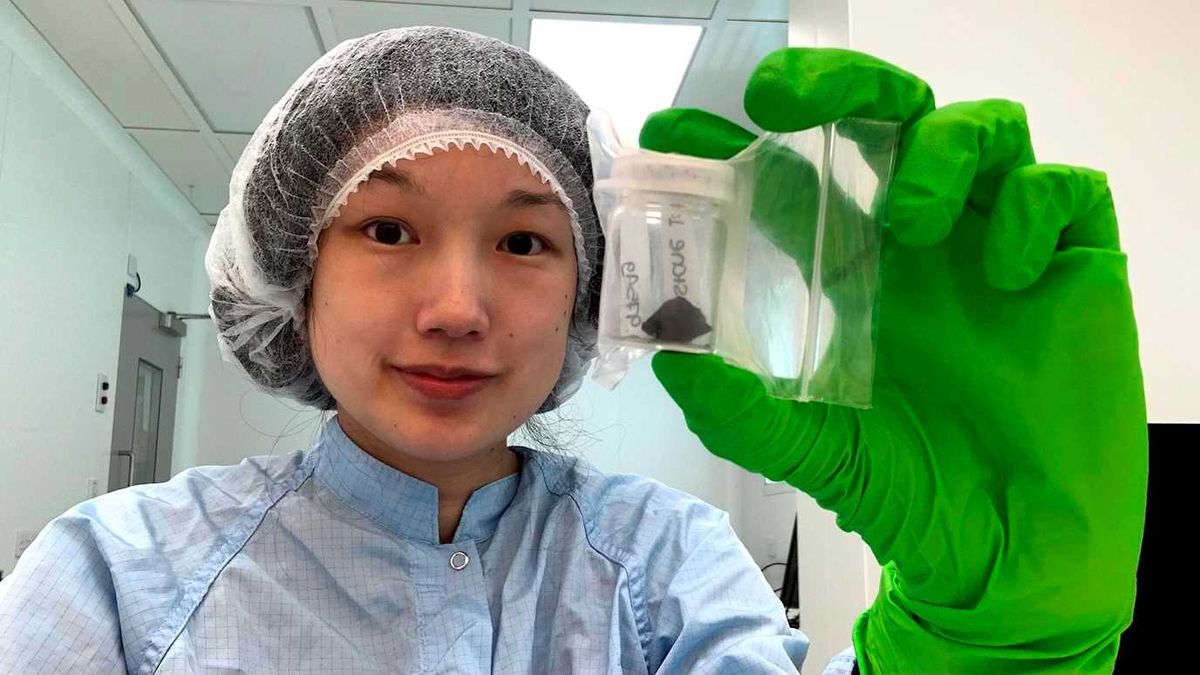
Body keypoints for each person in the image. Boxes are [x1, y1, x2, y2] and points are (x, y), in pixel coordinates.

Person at [0, 26, 1145, 674]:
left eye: (525, 240)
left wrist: (997, 633)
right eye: (388, 229)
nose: (457, 306)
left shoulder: (669, 566)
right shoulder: (116, 576)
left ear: (594, 293)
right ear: (294, 274)